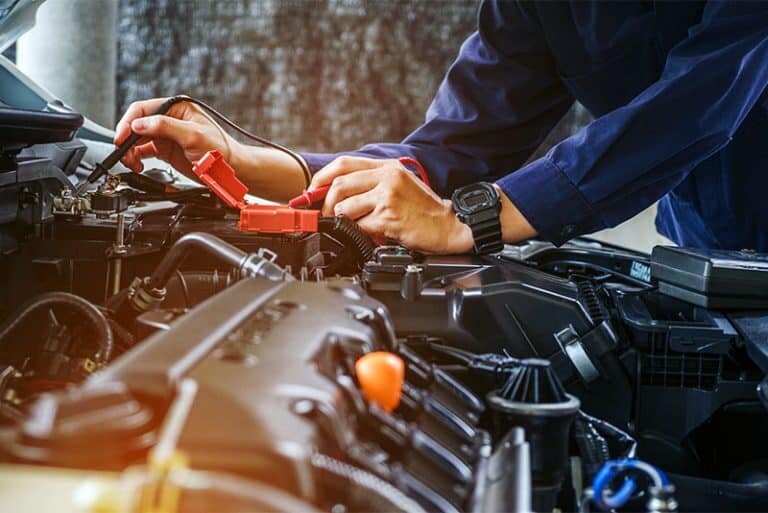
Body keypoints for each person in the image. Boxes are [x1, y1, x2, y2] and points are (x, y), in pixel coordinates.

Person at [115, 1, 768, 255]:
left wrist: (471, 220)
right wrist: (238, 158)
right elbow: (446, 151)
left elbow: (689, 112)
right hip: (711, 259)